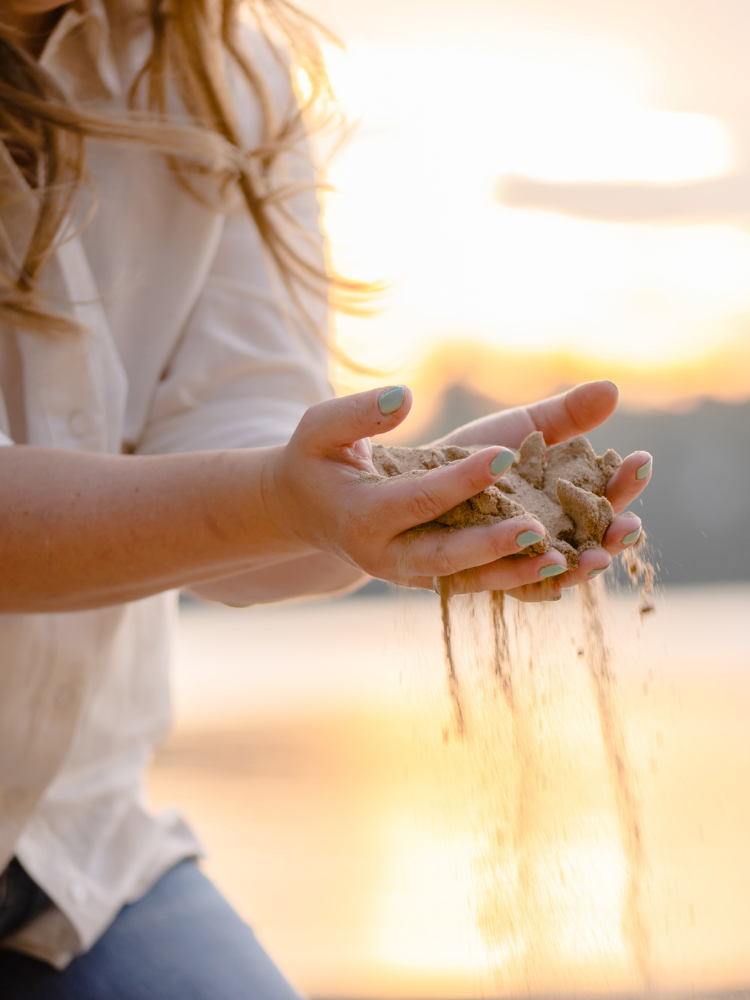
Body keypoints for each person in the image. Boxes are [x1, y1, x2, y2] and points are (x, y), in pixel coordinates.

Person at [0, 0, 653, 995]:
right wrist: (287, 497)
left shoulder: (220, 74)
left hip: (72, 851)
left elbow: (255, 495)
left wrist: (382, 502)